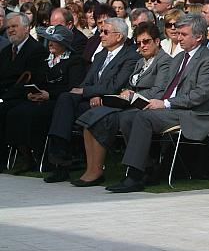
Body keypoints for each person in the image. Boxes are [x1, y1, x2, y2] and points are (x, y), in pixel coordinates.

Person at [106, 14, 209, 193]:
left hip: (192, 112)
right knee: (127, 117)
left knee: (143, 118)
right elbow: (166, 87)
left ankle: (134, 175)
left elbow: (200, 95)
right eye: (178, 34)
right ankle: (148, 167)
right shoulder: (179, 58)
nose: (179, 38)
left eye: (184, 34)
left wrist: (166, 103)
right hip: (170, 108)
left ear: (198, 37)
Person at [72, 22, 171, 186]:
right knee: (91, 117)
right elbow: (131, 84)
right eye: (139, 43)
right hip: (127, 103)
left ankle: (104, 171)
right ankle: (91, 169)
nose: (142, 46)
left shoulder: (164, 61)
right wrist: (126, 92)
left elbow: (158, 91)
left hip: (142, 105)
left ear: (157, 41)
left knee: (103, 118)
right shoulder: (141, 61)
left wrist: (133, 95)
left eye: (146, 42)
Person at [44, 17, 141, 183]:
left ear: (119, 36)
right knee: (65, 98)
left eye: (105, 32)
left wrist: (90, 92)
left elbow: (115, 86)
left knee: (71, 107)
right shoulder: (101, 55)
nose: (100, 35)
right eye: (100, 31)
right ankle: (60, 159)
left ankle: (66, 163)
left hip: (110, 102)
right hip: (91, 99)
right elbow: (86, 82)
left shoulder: (130, 56)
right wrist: (89, 92)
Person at [4, 25, 82, 174]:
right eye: (48, 40)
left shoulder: (75, 61)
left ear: (64, 43)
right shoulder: (45, 59)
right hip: (40, 98)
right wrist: (31, 93)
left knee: (34, 116)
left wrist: (49, 95)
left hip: (58, 102)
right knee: (15, 113)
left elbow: (74, 88)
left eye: (54, 41)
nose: (50, 44)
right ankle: (27, 156)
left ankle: (43, 157)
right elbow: (38, 82)